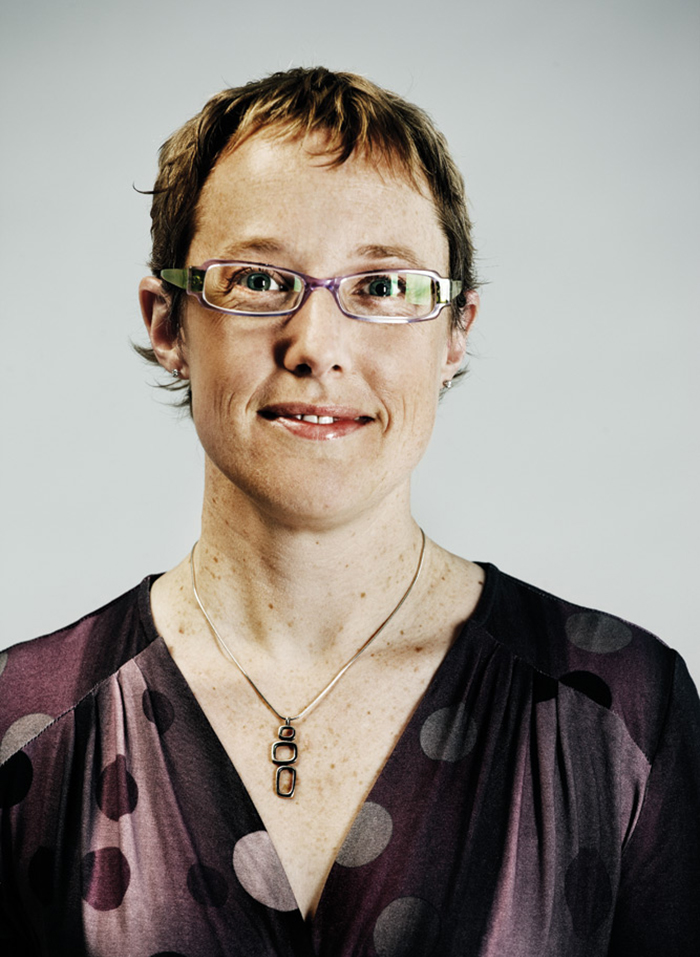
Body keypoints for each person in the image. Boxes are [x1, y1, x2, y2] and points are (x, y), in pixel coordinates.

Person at [0, 67, 698, 957]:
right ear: (167, 322)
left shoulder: (621, 712)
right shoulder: (26, 727)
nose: (318, 346)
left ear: (457, 334)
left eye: (384, 287)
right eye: (257, 279)